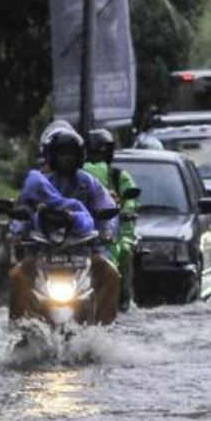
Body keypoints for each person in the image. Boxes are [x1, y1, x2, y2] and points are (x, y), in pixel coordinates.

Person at [10, 127, 120, 325]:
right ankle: (21, 328)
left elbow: (108, 209)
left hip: (84, 252)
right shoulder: (39, 184)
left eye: (71, 154)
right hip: (43, 252)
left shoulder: (89, 183)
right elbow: (22, 211)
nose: (66, 159)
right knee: (17, 275)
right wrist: (17, 232)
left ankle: (104, 329)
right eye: (62, 153)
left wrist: (107, 232)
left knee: (112, 275)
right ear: (52, 156)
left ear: (79, 156)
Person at [84, 128, 139, 311]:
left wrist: (126, 209)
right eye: (93, 151)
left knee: (124, 250)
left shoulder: (118, 176)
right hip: (82, 229)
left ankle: (123, 297)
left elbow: (131, 198)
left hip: (114, 229)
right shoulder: (77, 176)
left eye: (101, 151)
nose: (96, 155)